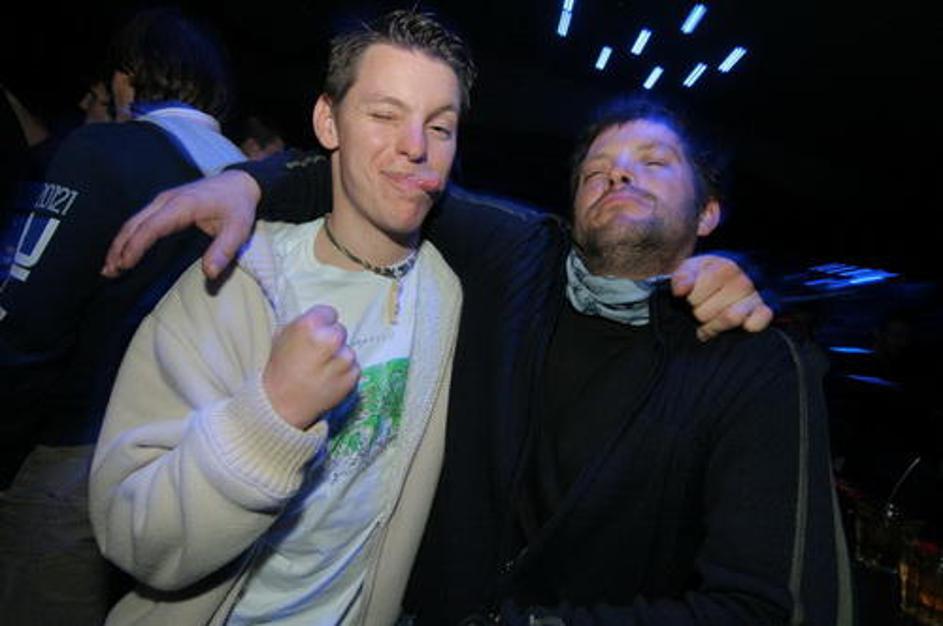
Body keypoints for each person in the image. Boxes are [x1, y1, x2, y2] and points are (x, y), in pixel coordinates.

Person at [104, 92, 852, 624]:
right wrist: (244, 182)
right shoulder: (516, 258)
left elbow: (771, 606)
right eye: (596, 170)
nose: (617, 175)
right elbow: (383, 179)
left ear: (708, 211)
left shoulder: (756, 364)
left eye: (653, 162)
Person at [89, 10, 472, 625]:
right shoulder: (233, 282)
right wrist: (271, 417)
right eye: (384, 115)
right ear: (328, 121)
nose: (416, 146)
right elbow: (129, 532)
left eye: (440, 126)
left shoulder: (445, 296)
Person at [0, 8, 243, 624]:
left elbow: (27, 319)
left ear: (127, 80)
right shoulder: (246, 180)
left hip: (70, 455)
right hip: (193, 466)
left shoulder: (101, 153)